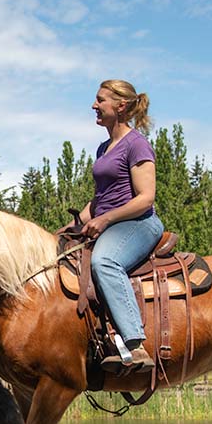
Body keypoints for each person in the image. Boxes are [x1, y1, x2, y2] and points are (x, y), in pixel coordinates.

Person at [76, 79, 163, 372]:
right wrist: (68, 229)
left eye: (100, 100)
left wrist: (106, 219)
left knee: (105, 261)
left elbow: (146, 198)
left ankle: (136, 345)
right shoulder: (104, 147)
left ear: (120, 106)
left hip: (138, 223)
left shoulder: (136, 144)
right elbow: (100, 200)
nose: (94, 106)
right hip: (110, 224)